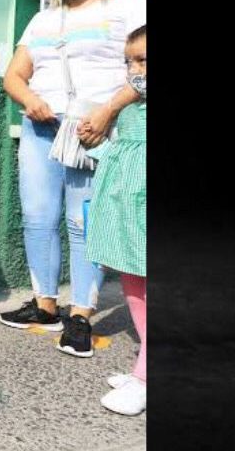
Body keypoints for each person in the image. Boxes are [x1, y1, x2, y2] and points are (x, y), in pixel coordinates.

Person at [0, 0, 145, 359]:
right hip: (41, 129)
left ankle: (80, 314)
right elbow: (13, 75)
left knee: (84, 223)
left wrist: (107, 111)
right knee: (38, 218)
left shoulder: (127, 7)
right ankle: (44, 304)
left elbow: (142, 70)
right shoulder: (44, 19)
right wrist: (31, 100)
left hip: (92, 133)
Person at [85, 25, 147, 415]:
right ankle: (146, 364)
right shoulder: (131, 101)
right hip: (127, 201)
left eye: (143, 59)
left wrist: (110, 106)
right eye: (129, 61)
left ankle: (145, 378)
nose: (134, 70)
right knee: (131, 278)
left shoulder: (130, 94)